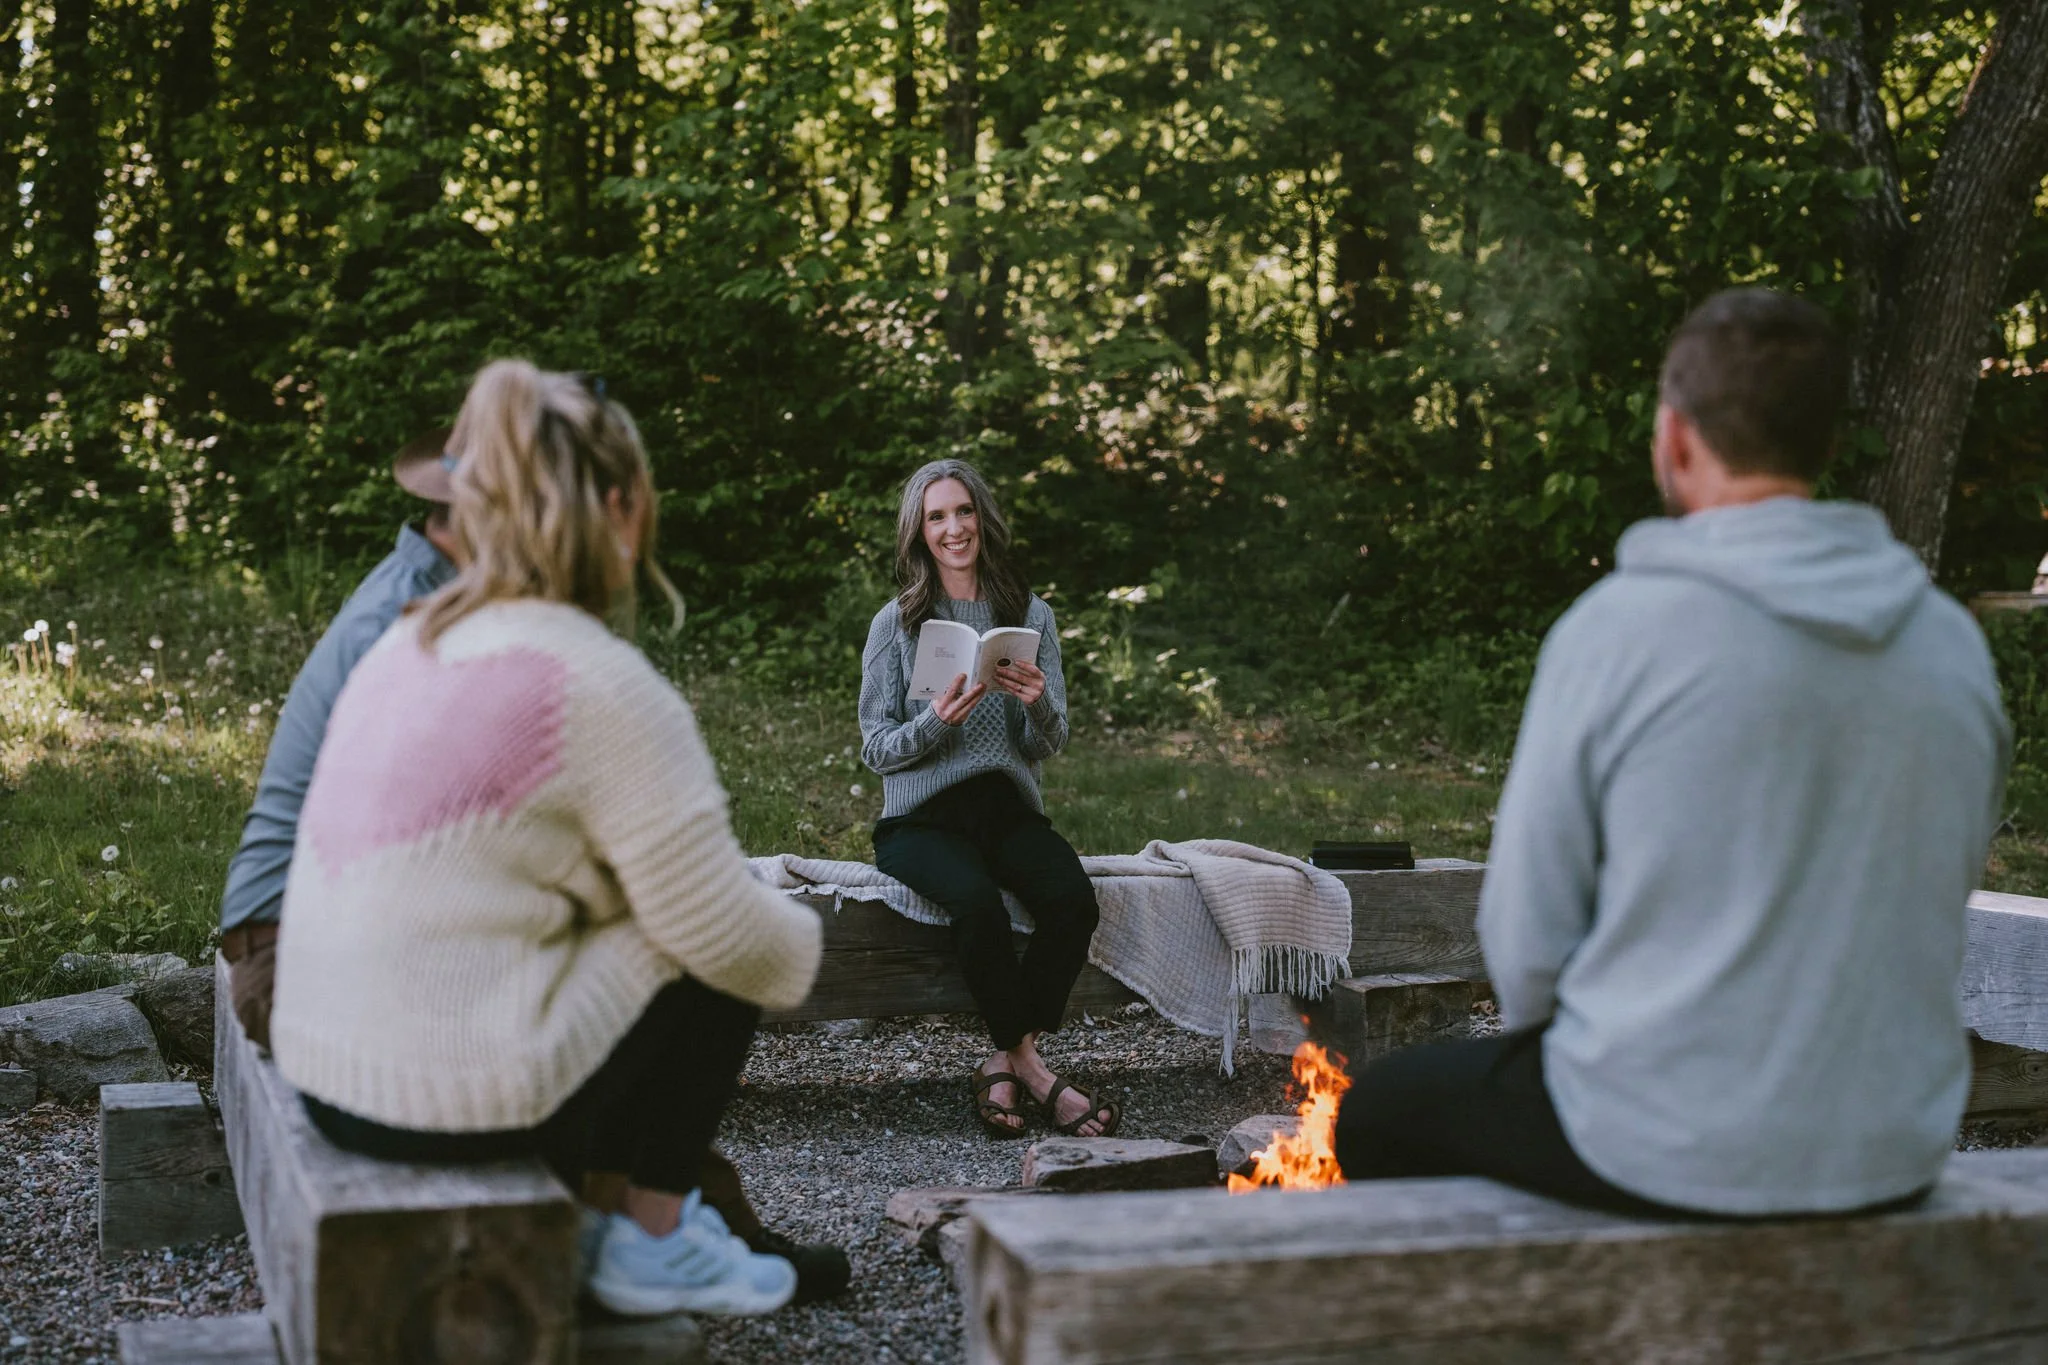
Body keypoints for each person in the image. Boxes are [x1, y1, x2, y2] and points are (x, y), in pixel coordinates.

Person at [1334, 288, 2010, 1218]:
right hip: (1893, 1138)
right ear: (1821, 441)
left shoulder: (1620, 631)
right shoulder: (1947, 643)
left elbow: (1527, 940)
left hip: (1673, 1138)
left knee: (1377, 1110)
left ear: (1678, 438)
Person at [216, 422, 851, 1302]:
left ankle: (624, 1222)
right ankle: (646, 1230)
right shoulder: (480, 643)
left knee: (631, 941)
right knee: (692, 939)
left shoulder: (426, 618)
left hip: (338, 1012)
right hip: (300, 964)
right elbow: (738, 942)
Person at [858, 458, 1119, 1139]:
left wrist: (1035, 705)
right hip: (921, 818)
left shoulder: (1030, 615)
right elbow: (875, 746)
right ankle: (1034, 1070)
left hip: (1004, 809)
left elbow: (1049, 741)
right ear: (918, 531)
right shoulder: (898, 622)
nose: (953, 528)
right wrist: (935, 721)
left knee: (1072, 899)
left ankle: (1002, 1059)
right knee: (976, 905)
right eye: (937, 516)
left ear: (983, 519)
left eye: (963, 511)